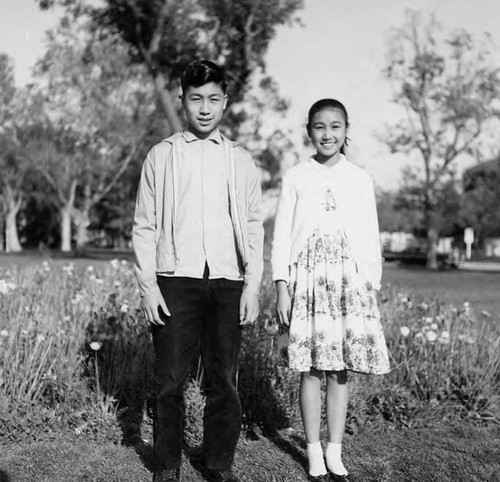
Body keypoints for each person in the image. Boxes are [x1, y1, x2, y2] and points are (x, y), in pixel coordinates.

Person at [132, 60, 263, 482]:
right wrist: (150, 286)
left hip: (228, 281)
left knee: (223, 381)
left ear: (225, 102)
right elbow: (145, 225)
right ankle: (167, 464)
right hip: (175, 280)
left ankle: (218, 464)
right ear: (182, 100)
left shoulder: (240, 160)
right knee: (170, 379)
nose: (204, 108)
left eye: (212, 99)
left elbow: (255, 227)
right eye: (195, 99)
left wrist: (251, 286)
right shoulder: (162, 156)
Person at [272, 99, 390, 482]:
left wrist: (369, 283)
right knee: (309, 370)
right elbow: (281, 237)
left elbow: (369, 235)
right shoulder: (296, 177)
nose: (328, 134)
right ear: (309, 130)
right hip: (307, 280)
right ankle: (312, 451)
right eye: (320, 127)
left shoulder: (359, 178)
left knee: (339, 371)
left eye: (335, 127)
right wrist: (282, 285)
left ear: (346, 130)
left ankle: (335, 450)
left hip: (347, 282)